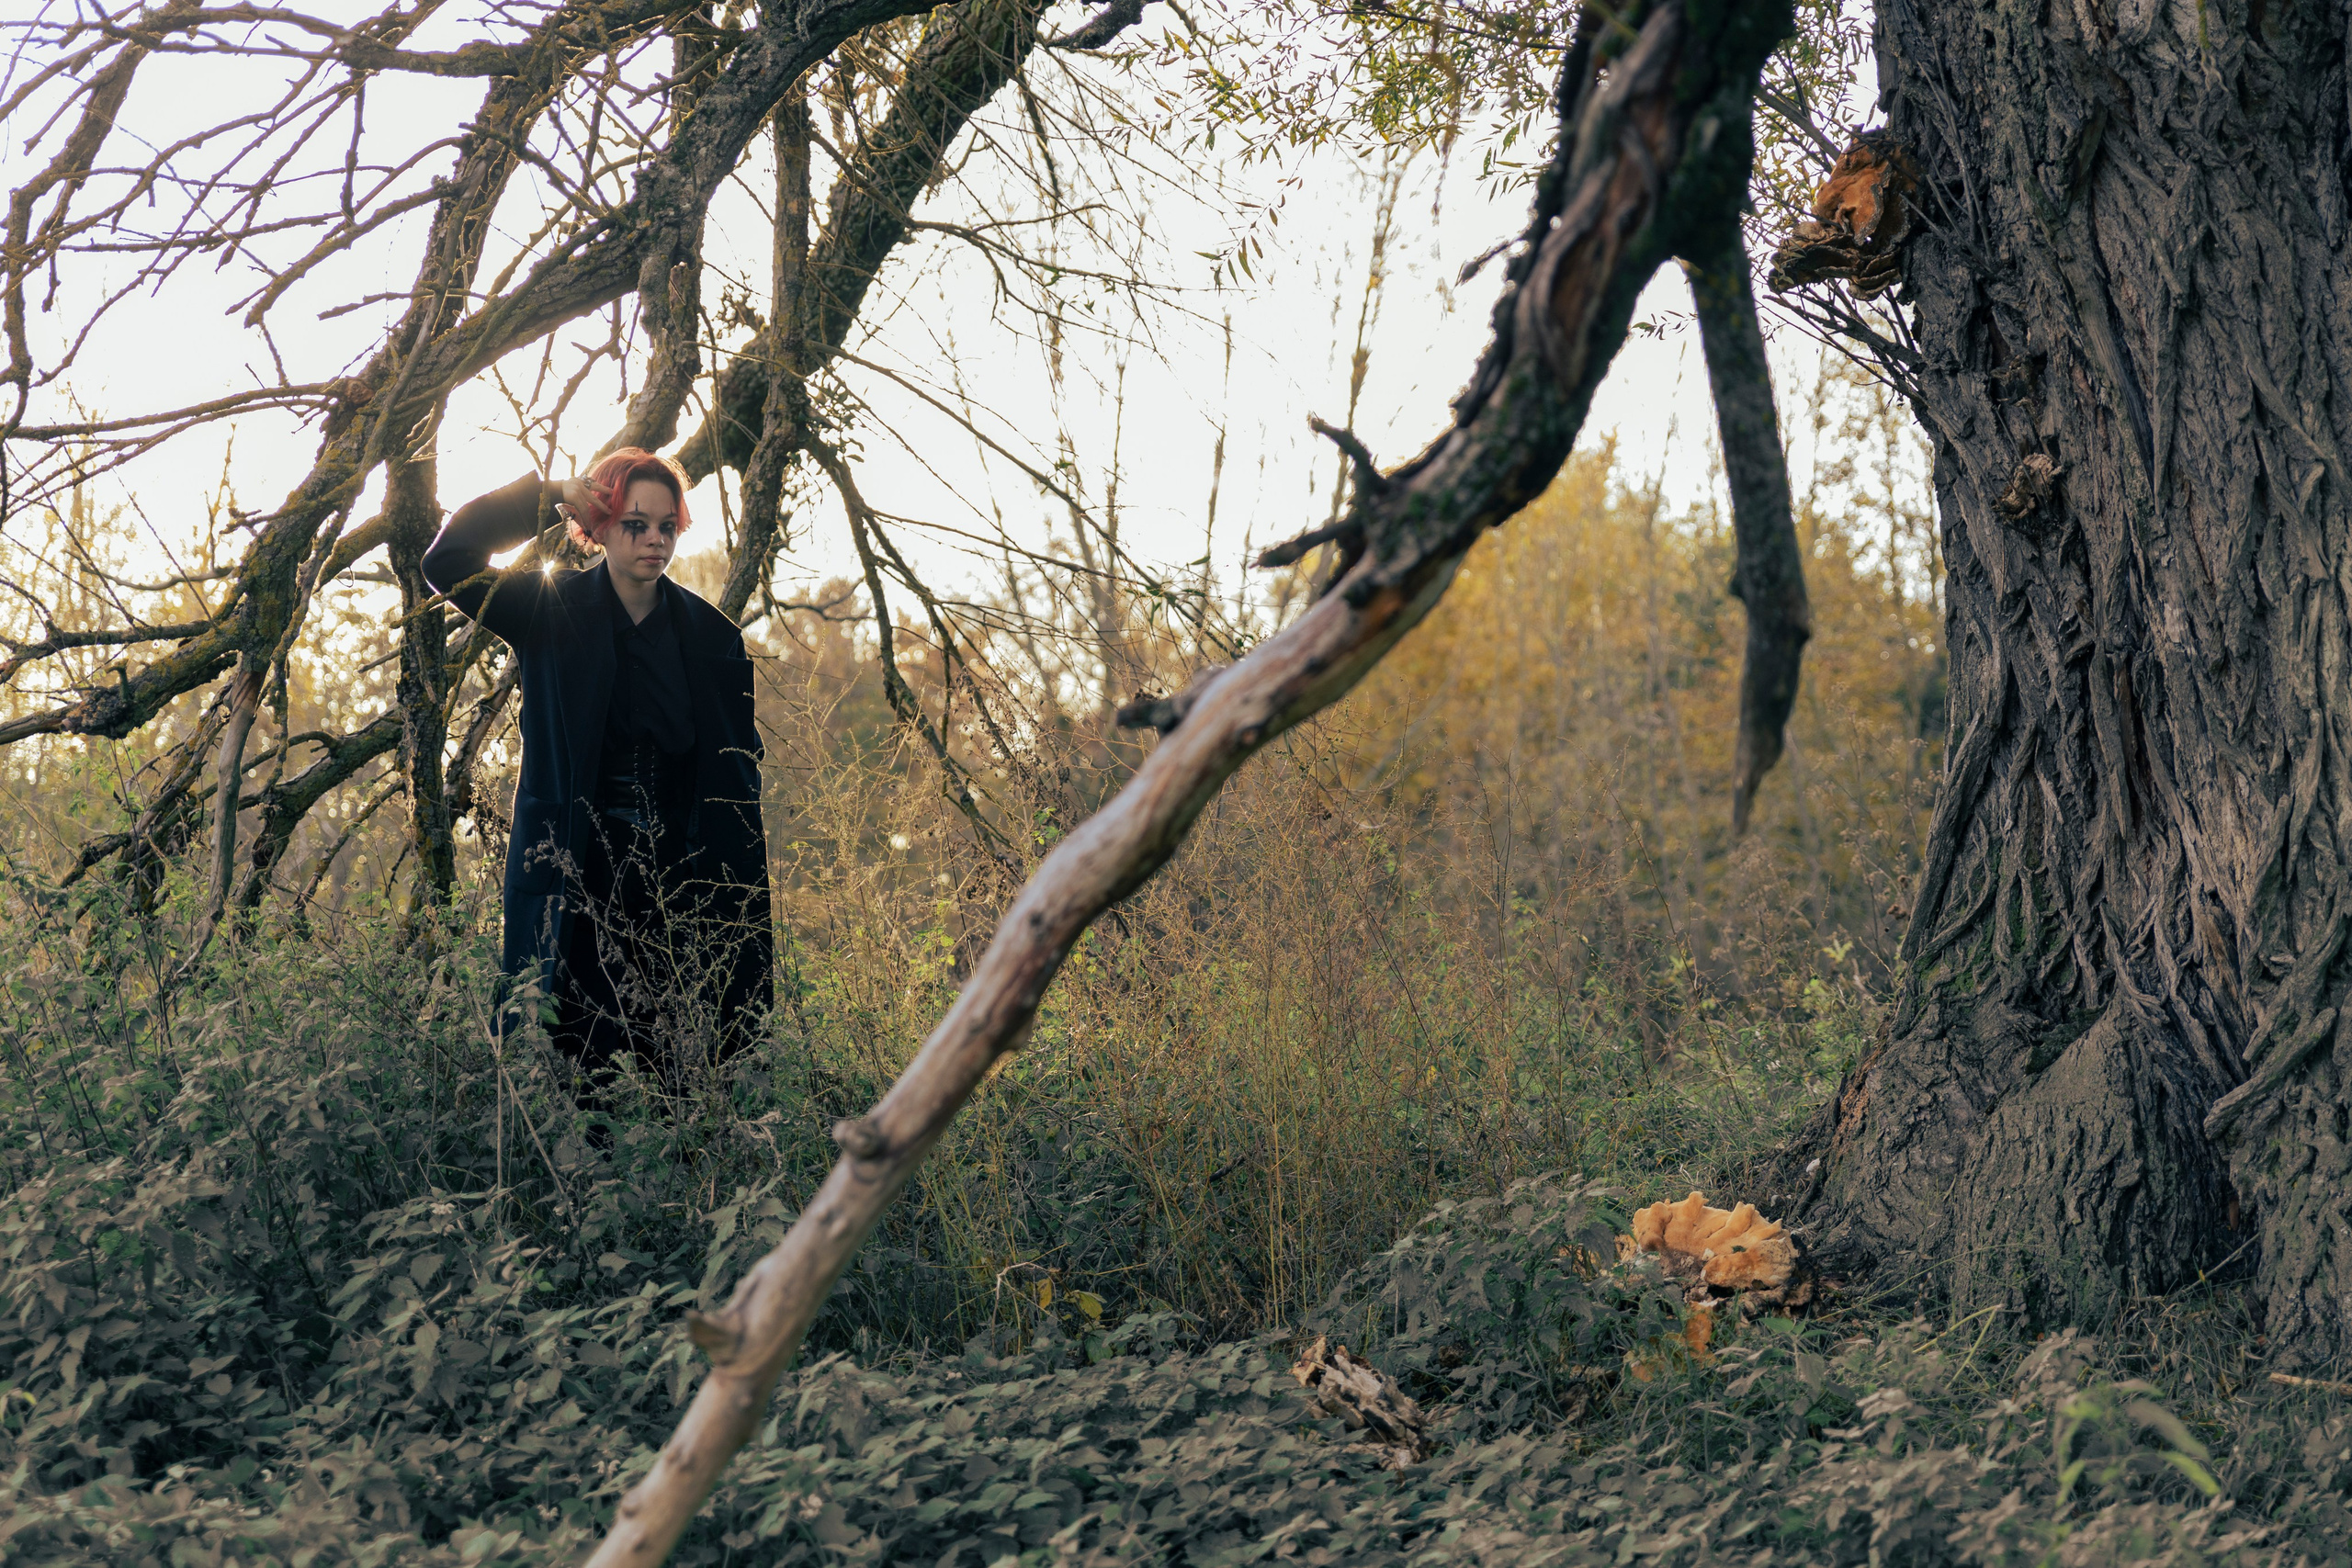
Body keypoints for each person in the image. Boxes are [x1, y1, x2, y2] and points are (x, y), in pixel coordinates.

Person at [423, 448, 772, 1089]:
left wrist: (733, 906)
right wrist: (547, 491)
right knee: (573, 1069)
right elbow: (446, 560)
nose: (654, 540)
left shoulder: (710, 635)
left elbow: (735, 775)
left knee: (672, 1078)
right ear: (600, 524)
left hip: (675, 886)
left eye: (667, 526)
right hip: (575, 875)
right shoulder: (544, 610)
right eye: (635, 523)